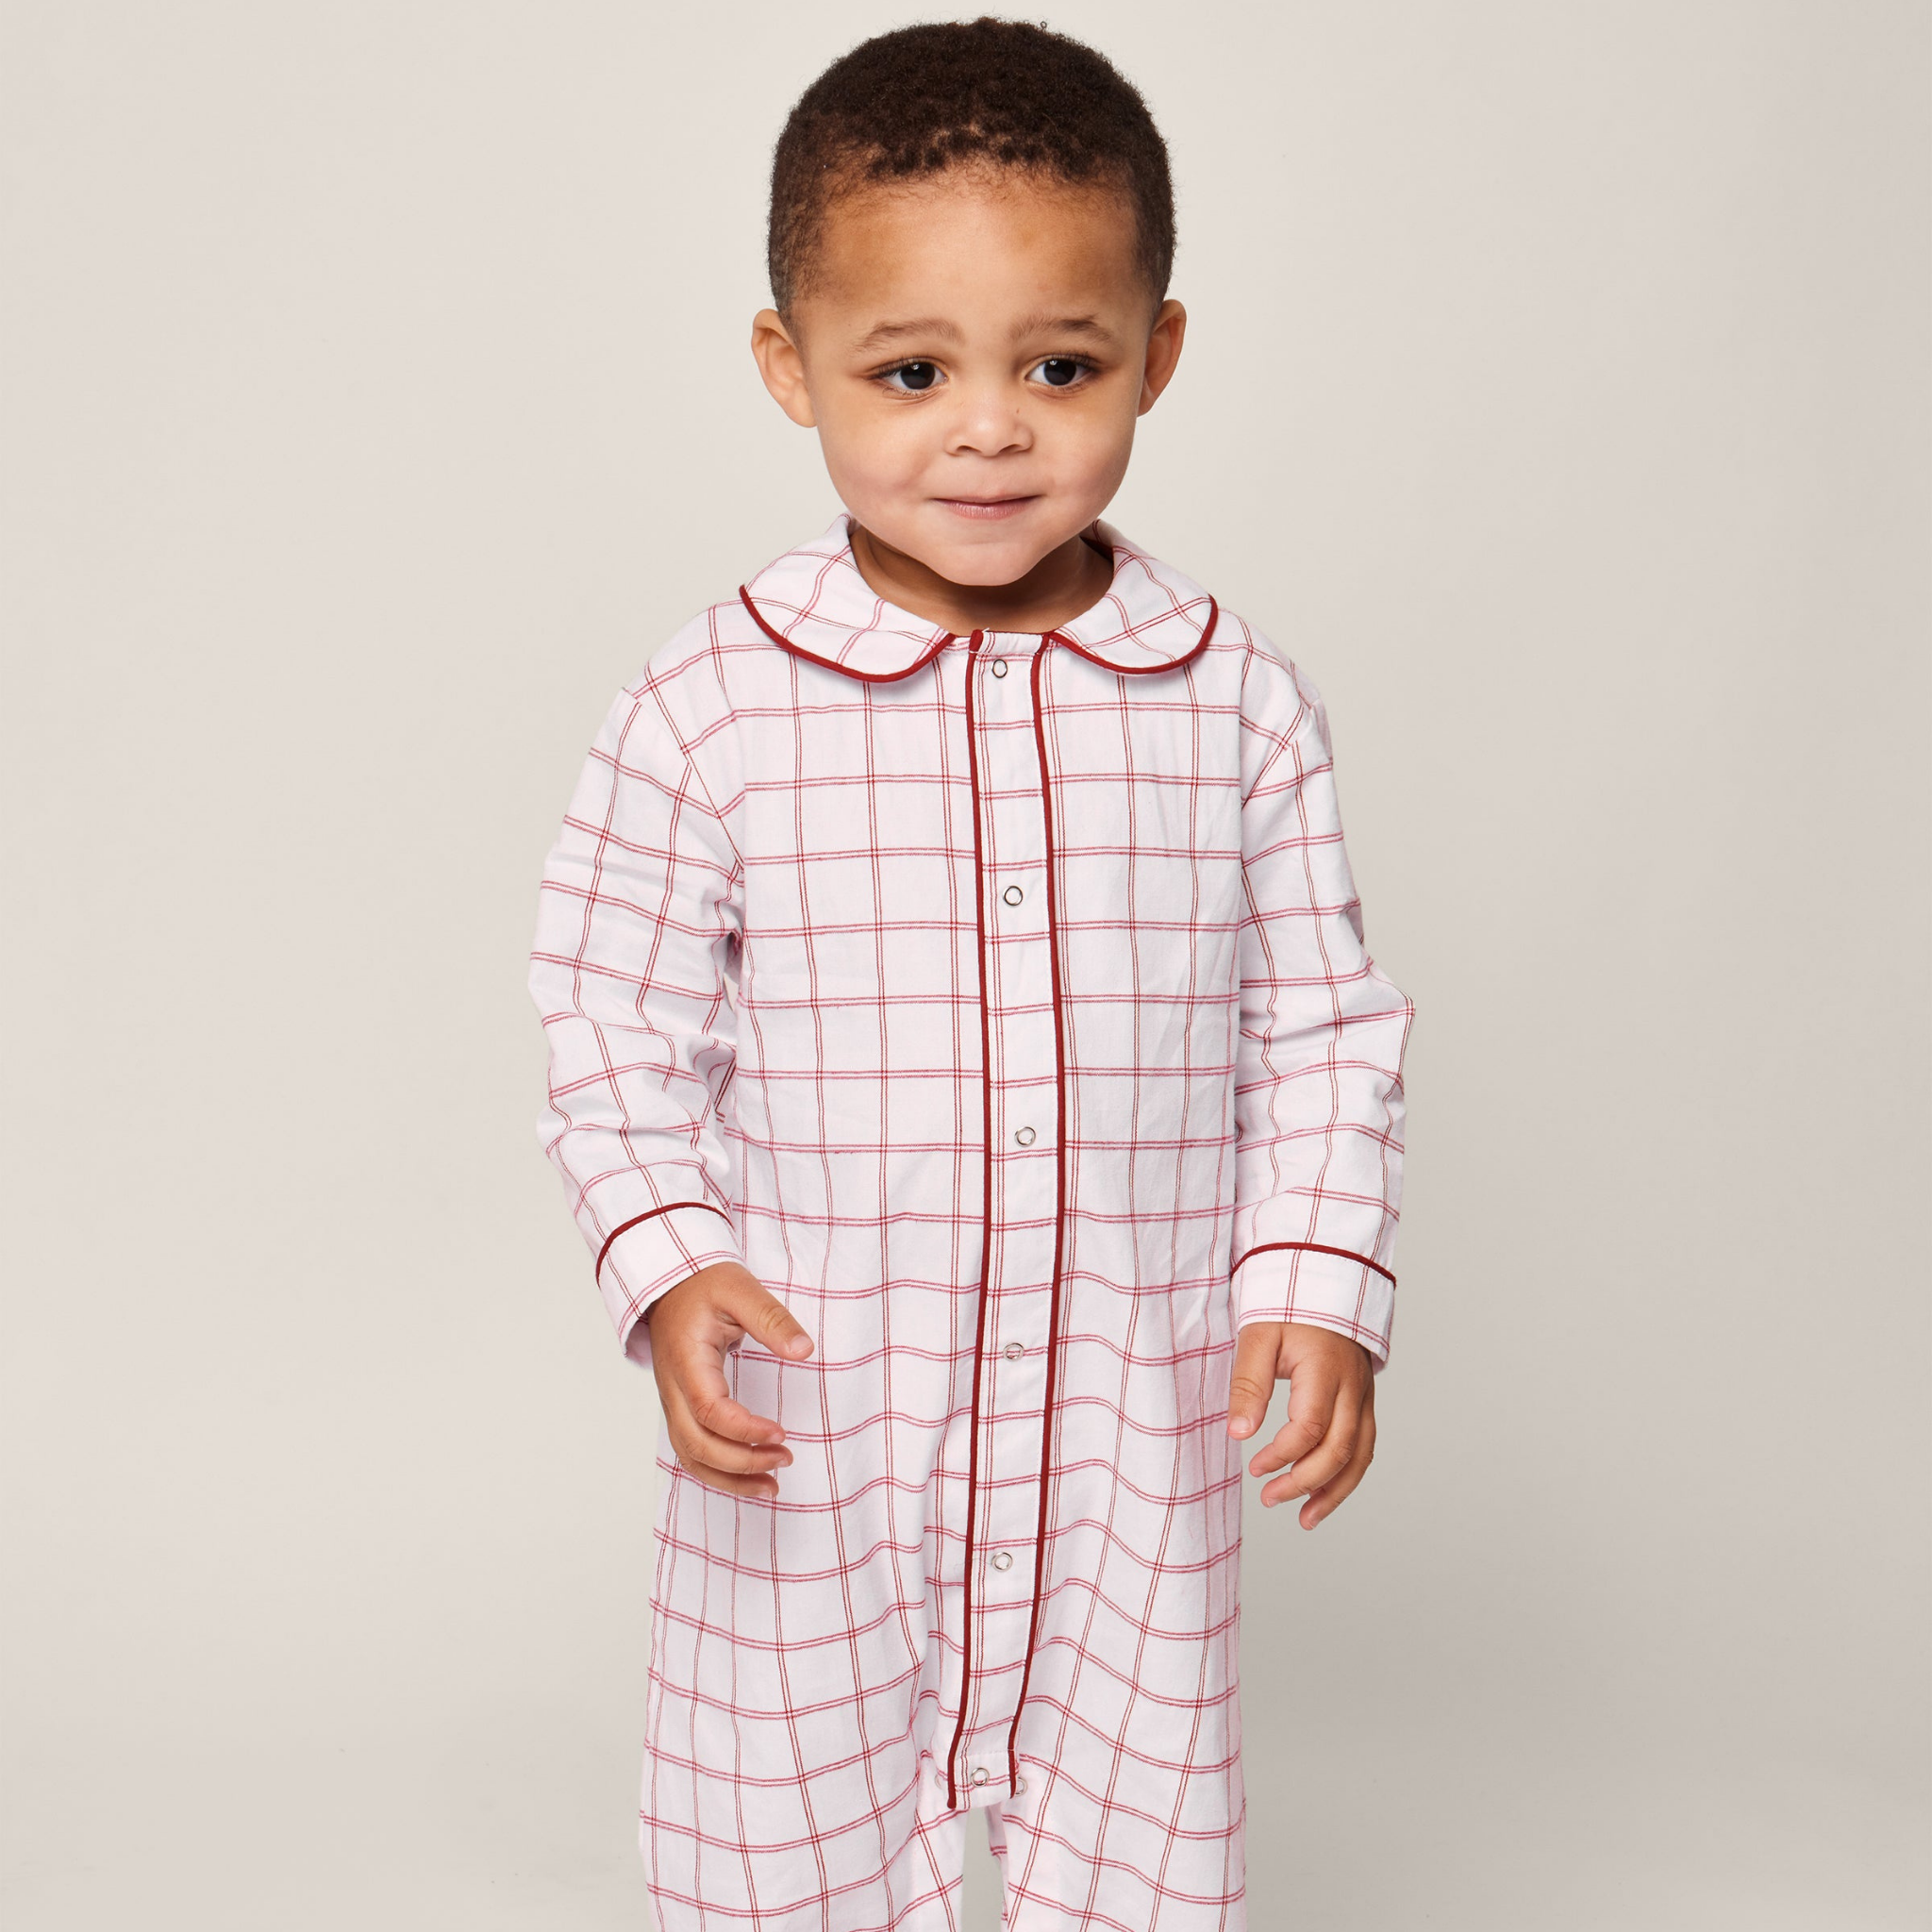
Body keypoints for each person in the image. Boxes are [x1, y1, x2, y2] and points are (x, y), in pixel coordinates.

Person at [527, 19, 1415, 1929]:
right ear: (793, 367)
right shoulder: (709, 705)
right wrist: (666, 1261)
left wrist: (1316, 1281)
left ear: (1156, 354)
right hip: (825, 1411)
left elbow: (1323, 1030)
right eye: (911, 370)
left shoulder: (1237, 704)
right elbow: (608, 1020)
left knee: (1143, 1844)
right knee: (782, 1841)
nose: (990, 427)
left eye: (1060, 366)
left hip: (1129, 1424)